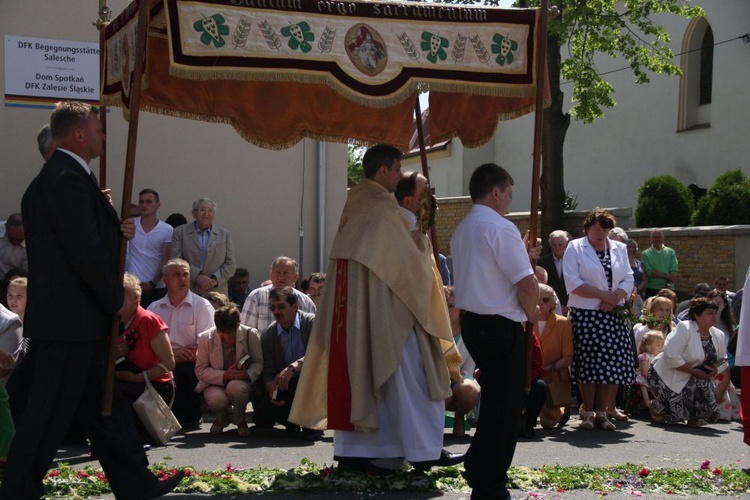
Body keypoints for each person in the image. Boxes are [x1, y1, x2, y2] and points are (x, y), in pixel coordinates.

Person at [0, 101, 184, 499]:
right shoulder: (65, 178)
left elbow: (84, 237)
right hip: (70, 324)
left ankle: (136, 484)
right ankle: (18, 489)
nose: (104, 135)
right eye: (98, 128)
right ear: (79, 134)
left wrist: (116, 228)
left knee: (106, 409)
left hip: (75, 322)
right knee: (47, 415)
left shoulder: (60, 179)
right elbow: (82, 251)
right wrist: (116, 298)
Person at [288, 145, 462, 473]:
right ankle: (424, 450)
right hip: (392, 313)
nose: (399, 175)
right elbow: (412, 265)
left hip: (357, 315)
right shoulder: (386, 210)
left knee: (366, 380)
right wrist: (422, 236)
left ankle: (362, 453)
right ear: (383, 171)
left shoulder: (356, 201)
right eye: (397, 169)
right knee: (418, 378)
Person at [450, 163, 539, 499]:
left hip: (475, 321)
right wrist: (531, 317)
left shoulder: (463, 228)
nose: (510, 201)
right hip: (500, 324)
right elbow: (527, 284)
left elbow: (494, 272)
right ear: (496, 191)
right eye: (509, 194)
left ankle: (481, 467)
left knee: (496, 402)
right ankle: (489, 477)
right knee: (504, 405)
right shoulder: (500, 228)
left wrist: (523, 255)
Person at [563, 208, 634, 432]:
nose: (600, 232)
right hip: (587, 314)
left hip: (613, 314)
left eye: (605, 228)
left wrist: (616, 298)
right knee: (588, 365)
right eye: (596, 228)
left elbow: (629, 277)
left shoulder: (620, 248)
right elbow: (573, 282)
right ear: (587, 229)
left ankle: (603, 413)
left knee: (609, 366)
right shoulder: (575, 247)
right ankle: (587, 412)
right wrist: (603, 296)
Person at [148, 258, 215, 430]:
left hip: (191, 362)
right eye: (176, 275)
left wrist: (182, 357)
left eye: (185, 274)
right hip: (162, 361)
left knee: (184, 370)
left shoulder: (202, 306)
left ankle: (189, 418)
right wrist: (170, 357)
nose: (183, 279)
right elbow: (147, 343)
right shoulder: (154, 309)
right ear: (165, 280)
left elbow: (209, 345)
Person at [115, 272, 176, 442]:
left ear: (135, 298)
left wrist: (136, 378)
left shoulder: (148, 320)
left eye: (121, 295)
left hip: (154, 385)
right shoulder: (114, 322)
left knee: (117, 392)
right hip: (127, 379)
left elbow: (169, 363)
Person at [648, 297, 728, 426]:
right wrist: (693, 371)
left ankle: (694, 416)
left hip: (698, 376)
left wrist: (715, 371)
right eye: (709, 313)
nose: (714, 316)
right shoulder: (684, 327)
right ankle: (659, 406)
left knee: (704, 389)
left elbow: (723, 361)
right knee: (671, 416)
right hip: (667, 373)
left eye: (715, 313)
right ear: (697, 315)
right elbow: (670, 354)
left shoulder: (719, 334)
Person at [254, 287, 321, 440]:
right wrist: (271, 386)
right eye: (273, 308)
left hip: (311, 379)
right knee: (262, 417)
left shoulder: (311, 323)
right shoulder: (269, 334)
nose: (276, 311)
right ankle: (293, 423)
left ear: (295, 306)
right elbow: (269, 370)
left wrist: (295, 366)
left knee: (299, 383)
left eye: (281, 307)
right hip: (284, 384)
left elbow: (320, 354)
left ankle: (311, 424)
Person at [195, 304, 263, 437]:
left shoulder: (250, 334)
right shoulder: (205, 338)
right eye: (223, 333)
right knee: (215, 399)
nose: (227, 337)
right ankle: (223, 416)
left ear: (239, 323)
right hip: (215, 384)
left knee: (236, 387)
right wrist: (224, 375)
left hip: (241, 382)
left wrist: (247, 374)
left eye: (231, 333)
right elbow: (200, 370)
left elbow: (258, 362)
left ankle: (239, 419)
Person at [171, 198, 236, 296]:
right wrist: (197, 277)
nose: (206, 213)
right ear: (194, 213)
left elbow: (230, 264)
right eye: (202, 210)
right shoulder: (180, 232)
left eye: (210, 211)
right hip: (190, 289)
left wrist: (212, 281)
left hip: (216, 292)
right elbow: (176, 260)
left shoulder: (224, 235)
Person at [240, 256, 316, 332]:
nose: (281, 277)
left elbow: (313, 332)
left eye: (285, 273)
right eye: (277, 273)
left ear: (295, 277)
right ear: (271, 275)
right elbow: (245, 331)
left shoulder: (306, 302)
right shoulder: (256, 297)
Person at [126, 188, 173, 307]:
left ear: (158, 204)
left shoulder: (167, 229)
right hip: (131, 285)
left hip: (156, 287)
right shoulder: (130, 224)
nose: (144, 205)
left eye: (148, 201)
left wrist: (153, 283)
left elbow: (165, 259)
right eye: (141, 201)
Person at [535, 284, 574, 429]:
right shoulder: (525, 321)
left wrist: (547, 368)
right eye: (537, 299)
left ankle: (562, 407)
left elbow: (568, 357)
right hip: (531, 375)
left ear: (553, 304)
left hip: (553, 376)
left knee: (548, 424)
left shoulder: (563, 324)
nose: (540, 303)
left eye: (545, 300)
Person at [538, 230, 571, 315]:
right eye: (554, 245)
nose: (557, 248)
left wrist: (568, 305)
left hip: (570, 306)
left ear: (566, 244)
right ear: (550, 245)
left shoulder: (574, 261)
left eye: (560, 245)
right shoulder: (542, 262)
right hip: (550, 307)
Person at [641, 230, 679, 299]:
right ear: (650, 239)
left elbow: (674, 269)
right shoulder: (645, 253)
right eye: (654, 237)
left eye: (659, 237)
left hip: (668, 288)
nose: (656, 239)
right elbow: (649, 272)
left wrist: (669, 284)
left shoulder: (671, 252)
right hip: (652, 288)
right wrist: (666, 275)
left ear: (663, 238)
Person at [636, 330, 664, 409]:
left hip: (656, 377)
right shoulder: (645, 356)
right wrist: (651, 378)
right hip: (646, 377)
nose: (660, 348)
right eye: (658, 345)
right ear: (648, 347)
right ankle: (646, 400)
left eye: (661, 345)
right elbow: (644, 372)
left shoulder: (660, 357)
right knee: (643, 384)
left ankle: (659, 402)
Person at [0, 214, 27, 282]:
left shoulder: (31, 247)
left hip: (13, 283)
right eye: (12, 238)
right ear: (6, 227)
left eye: (20, 239)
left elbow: (24, 276)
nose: (15, 241)